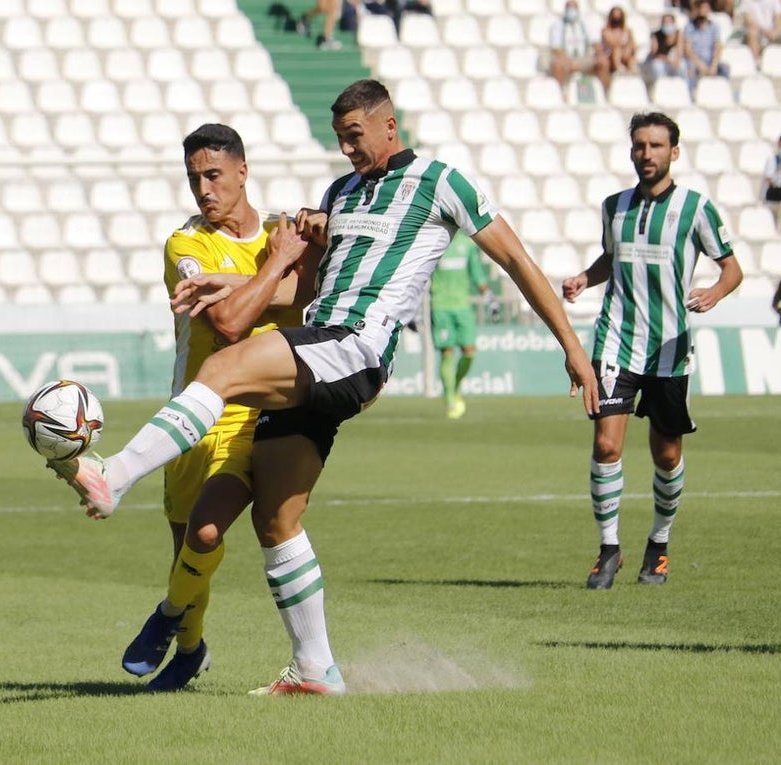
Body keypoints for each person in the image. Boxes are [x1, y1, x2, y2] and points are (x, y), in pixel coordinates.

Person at [48, 79, 598, 694]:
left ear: (389, 124)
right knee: (277, 520)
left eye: (355, 137)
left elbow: (518, 262)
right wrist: (226, 287)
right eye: (339, 139)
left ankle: (114, 475)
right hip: (322, 343)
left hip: (355, 345)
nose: (346, 150)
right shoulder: (339, 193)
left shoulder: (442, 182)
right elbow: (302, 294)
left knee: (222, 372)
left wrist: (572, 347)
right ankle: (316, 668)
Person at [114, 124, 313, 692]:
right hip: (190, 415)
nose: (203, 189)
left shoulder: (286, 230)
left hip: (255, 417)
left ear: (243, 172)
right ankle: (192, 648)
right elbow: (229, 322)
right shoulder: (187, 245)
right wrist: (275, 266)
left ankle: (166, 616)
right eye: (194, 178)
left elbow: (311, 295)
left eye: (214, 175)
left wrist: (267, 272)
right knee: (186, 551)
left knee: (205, 534)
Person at [562, 112, 744, 590]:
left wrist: (715, 293)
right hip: (615, 341)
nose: (647, 154)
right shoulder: (613, 206)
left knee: (666, 455)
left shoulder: (696, 209)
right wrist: (586, 276)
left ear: (674, 152)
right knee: (606, 446)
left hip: (669, 349)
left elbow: (732, 269)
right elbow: (612, 256)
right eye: (640, 146)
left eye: (656, 146)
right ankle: (607, 550)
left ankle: (658, 545)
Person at [429, 233, 499, 419]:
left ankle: (456, 385)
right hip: (440, 306)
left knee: (469, 352)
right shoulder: (436, 241)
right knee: (447, 352)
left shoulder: (467, 244)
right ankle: (450, 399)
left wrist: (490, 299)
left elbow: (477, 273)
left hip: (462, 306)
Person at [549, 0, 609, 89]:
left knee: (603, 62)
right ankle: (559, 93)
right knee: (557, 65)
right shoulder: (558, 25)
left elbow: (596, 43)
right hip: (566, 58)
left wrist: (600, 54)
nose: (571, 10)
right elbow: (556, 48)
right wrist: (569, 61)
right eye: (569, 8)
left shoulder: (586, 23)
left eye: (573, 7)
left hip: (584, 58)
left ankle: (603, 92)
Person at [682, 1, 730, 94]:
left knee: (724, 69)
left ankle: (723, 94)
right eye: (701, 8)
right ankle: (691, 95)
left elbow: (717, 47)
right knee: (690, 69)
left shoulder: (714, 27)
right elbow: (688, 51)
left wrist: (714, 65)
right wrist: (700, 65)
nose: (703, 11)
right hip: (695, 61)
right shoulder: (689, 27)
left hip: (709, 60)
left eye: (705, 8)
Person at [600, 6, 638, 87]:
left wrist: (628, 48)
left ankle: (631, 78)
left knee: (631, 57)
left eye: (618, 15)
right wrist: (623, 46)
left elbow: (633, 44)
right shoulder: (606, 30)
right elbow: (612, 43)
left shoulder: (628, 31)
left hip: (625, 55)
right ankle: (619, 70)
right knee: (616, 50)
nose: (617, 17)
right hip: (610, 57)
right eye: (615, 15)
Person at [643, 13, 686, 82]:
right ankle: (659, 85)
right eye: (664, 22)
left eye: (668, 22)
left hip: (672, 61)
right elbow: (655, 54)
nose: (666, 24)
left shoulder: (678, 34)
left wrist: (676, 61)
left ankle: (682, 85)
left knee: (682, 65)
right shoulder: (656, 35)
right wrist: (669, 60)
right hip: (662, 61)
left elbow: (680, 51)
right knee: (657, 65)